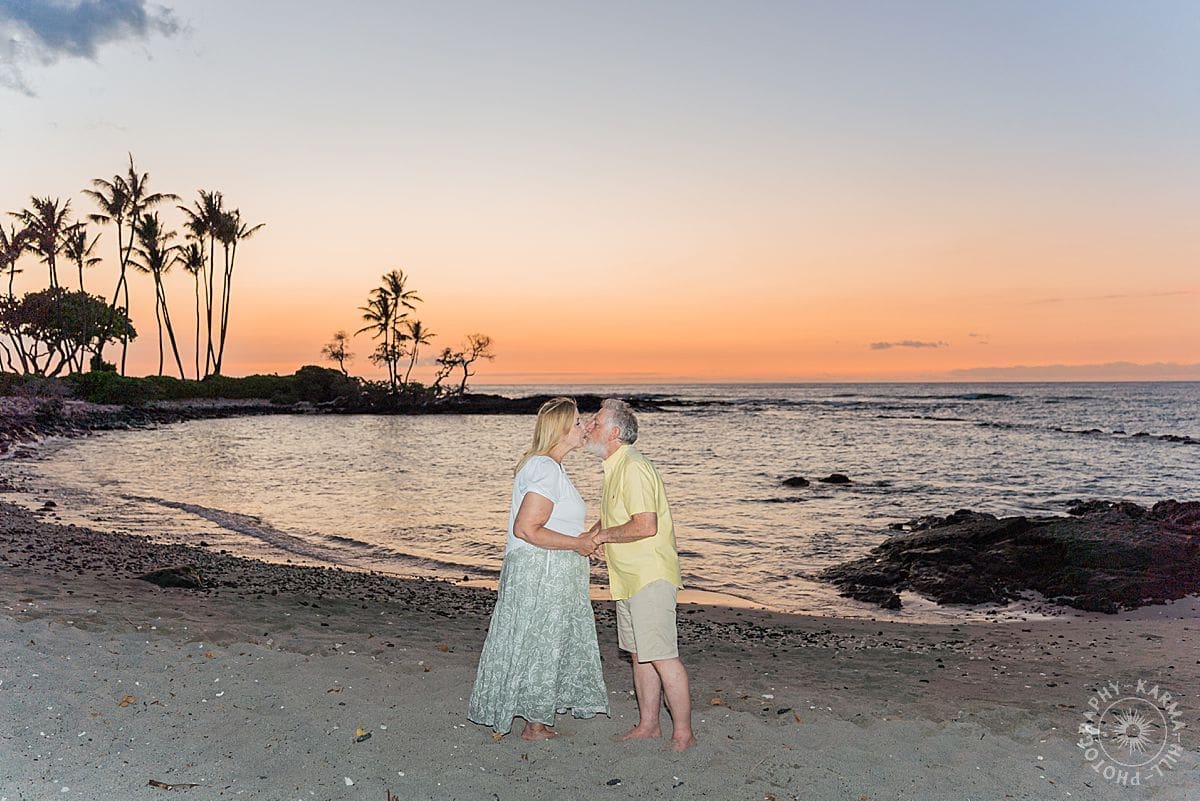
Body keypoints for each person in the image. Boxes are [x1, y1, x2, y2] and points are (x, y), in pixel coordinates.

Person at [468, 397, 609, 740]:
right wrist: (578, 544)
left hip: (551, 567)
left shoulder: (551, 466)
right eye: (577, 422)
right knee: (538, 639)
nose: (584, 427)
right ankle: (534, 724)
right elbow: (527, 529)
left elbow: (552, 524)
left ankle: (537, 719)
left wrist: (592, 536)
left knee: (538, 639)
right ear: (560, 429)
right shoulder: (545, 467)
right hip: (541, 570)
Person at [584, 398, 696, 751]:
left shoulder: (632, 466)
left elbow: (646, 525)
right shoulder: (615, 467)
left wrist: (603, 536)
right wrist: (595, 533)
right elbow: (619, 516)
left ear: (614, 432)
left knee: (662, 654)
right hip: (628, 577)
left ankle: (683, 734)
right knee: (640, 654)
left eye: (597, 422)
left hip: (649, 577)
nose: (589, 426)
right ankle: (649, 725)